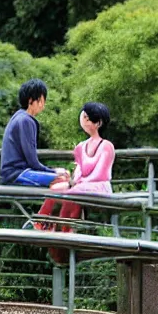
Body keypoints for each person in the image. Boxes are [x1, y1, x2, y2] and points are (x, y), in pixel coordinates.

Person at [36, 102, 115, 263]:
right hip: (82, 185)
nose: (83, 120)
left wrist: (79, 183)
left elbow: (101, 173)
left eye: (87, 118)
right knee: (57, 188)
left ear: (98, 122)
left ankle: (67, 229)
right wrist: (73, 181)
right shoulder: (80, 147)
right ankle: (41, 223)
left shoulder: (106, 146)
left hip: (99, 185)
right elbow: (78, 170)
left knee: (73, 193)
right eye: (83, 117)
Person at [0, 78, 69, 186]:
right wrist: (53, 171)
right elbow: (32, 161)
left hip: (11, 173)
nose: (43, 105)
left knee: (62, 177)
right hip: (17, 174)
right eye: (41, 101)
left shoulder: (18, 117)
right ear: (30, 100)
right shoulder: (26, 120)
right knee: (62, 179)